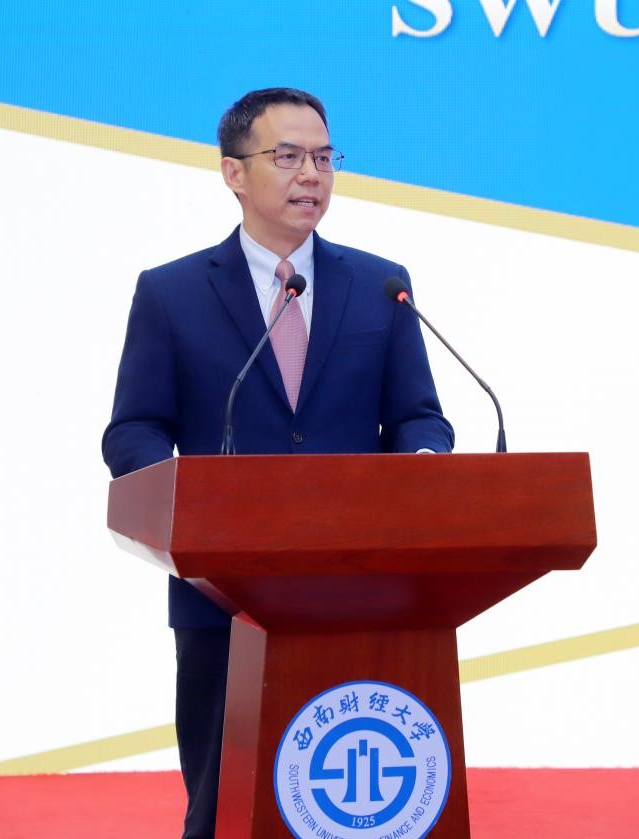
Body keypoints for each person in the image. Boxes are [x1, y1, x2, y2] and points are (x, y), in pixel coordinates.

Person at [102, 87, 454, 839]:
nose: (311, 175)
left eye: (324, 158)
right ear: (233, 173)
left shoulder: (382, 286)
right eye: (288, 156)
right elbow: (134, 428)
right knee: (220, 809)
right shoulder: (171, 293)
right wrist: (176, 495)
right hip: (222, 596)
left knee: (359, 812)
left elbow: (418, 415)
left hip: (362, 592)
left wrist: (425, 457)